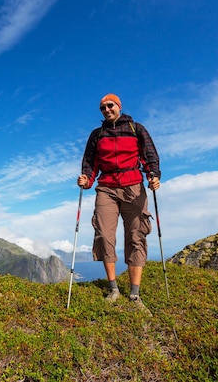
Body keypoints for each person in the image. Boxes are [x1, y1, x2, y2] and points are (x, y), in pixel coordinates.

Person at [77, 93, 160, 314]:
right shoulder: (98, 134)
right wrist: (86, 179)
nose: (106, 110)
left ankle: (134, 294)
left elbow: (149, 155)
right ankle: (113, 289)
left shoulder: (136, 129)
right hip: (106, 187)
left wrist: (153, 175)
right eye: (102, 108)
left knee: (136, 235)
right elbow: (89, 162)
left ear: (119, 106)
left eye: (110, 106)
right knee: (104, 234)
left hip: (133, 185)